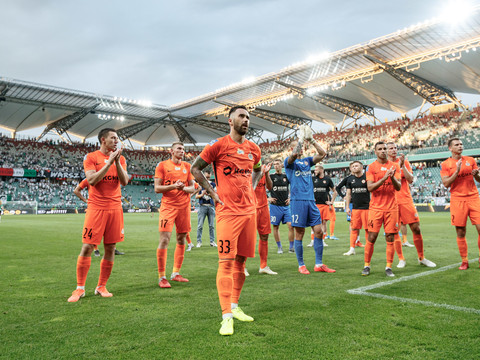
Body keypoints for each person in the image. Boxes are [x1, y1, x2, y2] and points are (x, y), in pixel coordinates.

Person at [191, 105, 262, 336]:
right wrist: (212, 194)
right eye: (241, 116)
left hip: (249, 212)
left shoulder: (254, 149)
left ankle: (234, 305)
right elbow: (195, 169)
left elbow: (258, 170)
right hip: (227, 213)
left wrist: (251, 187)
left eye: (248, 117)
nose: (246, 120)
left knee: (242, 262)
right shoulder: (218, 146)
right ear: (230, 121)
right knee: (226, 263)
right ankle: (226, 316)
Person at [67, 128, 129, 302]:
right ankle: (79, 288)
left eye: (117, 138)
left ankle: (101, 286)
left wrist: (116, 162)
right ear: (103, 139)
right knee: (87, 246)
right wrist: (109, 163)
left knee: (110, 248)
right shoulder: (91, 157)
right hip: (96, 208)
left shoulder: (121, 159)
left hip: (115, 208)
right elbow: (92, 180)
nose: (116, 141)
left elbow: (124, 181)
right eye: (113, 138)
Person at [284, 125, 335, 275]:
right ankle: (301, 265)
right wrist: (300, 140)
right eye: (297, 147)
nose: (300, 148)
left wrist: (311, 140)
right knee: (299, 233)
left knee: (319, 232)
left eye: (300, 146)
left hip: (311, 201)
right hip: (297, 201)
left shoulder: (307, 161)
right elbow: (293, 155)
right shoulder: (289, 162)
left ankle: (319, 264)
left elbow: (323, 153)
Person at [387, 142, 436, 268]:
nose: (394, 150)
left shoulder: (404, 162)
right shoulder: (384, 165)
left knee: (416, 228)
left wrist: (402, 166)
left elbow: (410, 179)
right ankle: (401, 259)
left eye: (395, 147)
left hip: (405, 199)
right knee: (394, 231)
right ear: (386, 151)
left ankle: (421, 257)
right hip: (391, 201)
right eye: (391, 148)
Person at [154, 142, 196, 288]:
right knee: (165, 239)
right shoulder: (162, 166)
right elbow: (157, 188)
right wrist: (173, 186)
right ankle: (162, 277)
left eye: (183, 149)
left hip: (184, 207)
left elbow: (193, 188)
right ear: (171, 151)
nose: (182, 151)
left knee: (181, 238)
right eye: (179, 149)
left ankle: (176, 273)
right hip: (168, 207)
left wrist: (184, 187)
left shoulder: (188, 167)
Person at [362, 141, 401, 277]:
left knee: (390, 237)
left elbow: (399, 187)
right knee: (372, 236)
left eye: (385, 148)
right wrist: (385, 177)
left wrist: (392, 177)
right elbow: (370, 187)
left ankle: (388, 267)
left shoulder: (395, 166)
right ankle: (367, 265)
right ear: (375, 152)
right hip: (376, 208)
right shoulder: (371, 167)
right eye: (380, 149)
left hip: (391, 208)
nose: (383, 151)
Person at [440, 138, 480, 270]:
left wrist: (476, 175)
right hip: (457, 199)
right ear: (450, 148)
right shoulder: (446, 164)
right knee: (461, 231)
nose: (460, 146)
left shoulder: (470, 160)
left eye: (461, 144)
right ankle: (464, 261)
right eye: (457, 145)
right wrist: (456, 171)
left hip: (474, 198)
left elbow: (479, 179)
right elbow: (446, 183)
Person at [73, 179, 125, 257]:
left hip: (109, 208)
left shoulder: (107, 179)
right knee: (95, 231)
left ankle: (113, 249)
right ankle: (96, 250)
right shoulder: (88, 179)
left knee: (110, 231)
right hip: (95, 210)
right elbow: (76, 191)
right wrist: (85, 200)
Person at [254, 163, 277, 275]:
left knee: (264, 235)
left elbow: (269, 187)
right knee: (246, 237)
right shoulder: (246, 171)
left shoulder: (263, 171)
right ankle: (242, 266)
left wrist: (266, 174)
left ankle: (263, 265)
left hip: (263, 207)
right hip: (250, 207)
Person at [343, 161, 370, 256]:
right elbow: (348, 194)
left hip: (367, 208)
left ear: (361, 167)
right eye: (353, 166)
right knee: (354, 229)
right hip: (355, 208)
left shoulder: (367, 177)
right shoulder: (350, 179)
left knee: (368, 229)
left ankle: (368, 248)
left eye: (356, 165)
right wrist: (347, 207)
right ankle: (352, 249)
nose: (354, 167)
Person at [267, 159, 294, 253]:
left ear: (281, 165)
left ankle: (291, 247)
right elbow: (261, 187)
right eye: (274, 164)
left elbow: (294, 187)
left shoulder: (286, 176)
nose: (276, 166)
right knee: (275, 227)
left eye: (277, 164)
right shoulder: (271, 176)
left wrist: (291, 198)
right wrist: (267, 198)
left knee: (291, 226)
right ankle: (279, 247)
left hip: (286, 206)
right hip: (275, 206)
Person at [309, 164, 336, 247]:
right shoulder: (312, 179)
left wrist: (331, 201)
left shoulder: (327, 179)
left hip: (324, 205)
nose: (315, 171)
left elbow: (335, 191)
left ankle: (323, 240)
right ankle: (312, 240)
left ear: (321, 170)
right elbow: (308, 190)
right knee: (313, 223)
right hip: (315, 205)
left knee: (324, 223)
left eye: (316, 170)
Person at [195, 170, 217, 248]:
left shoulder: (213, 184)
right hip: (202, 206)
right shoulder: (200, 184)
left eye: (208, 177)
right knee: (200, 225)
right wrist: (202, 194)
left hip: (211, 206)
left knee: (211, 225)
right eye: (206, 177)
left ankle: (212, 241)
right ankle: (199, 242)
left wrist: (210, 195)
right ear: (203, 176)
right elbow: (197, 196)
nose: (207, 178)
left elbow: (215, 195)